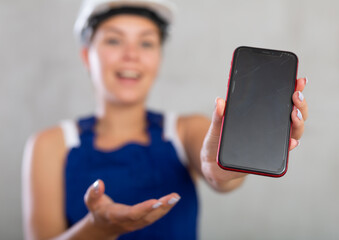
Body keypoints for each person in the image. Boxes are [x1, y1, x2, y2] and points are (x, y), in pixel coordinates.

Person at [22, 0, 309, 239]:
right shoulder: (49, 145)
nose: (131, 55)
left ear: (159, 56)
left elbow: (219, 177)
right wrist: (96, 229)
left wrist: (224, 165)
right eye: (113, 40)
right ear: (87, 56)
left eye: (146, 43)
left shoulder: (186, 131)